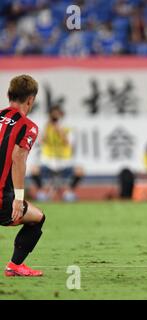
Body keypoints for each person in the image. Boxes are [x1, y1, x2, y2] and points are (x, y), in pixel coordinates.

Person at [0, 75, 45, 276]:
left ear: (9, 95)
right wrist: (18, 199)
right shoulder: (28, 126)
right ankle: (15, 265)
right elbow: (18, 158)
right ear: (31, 100)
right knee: (37, 218)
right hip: (2, 199)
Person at [30, 105, 83, 202]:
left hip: (64, 162)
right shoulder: (45, 126)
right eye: (53, 116)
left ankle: (69, 192)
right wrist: (47, 128)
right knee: (34, 170)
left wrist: (59, 130)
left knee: (80, 171)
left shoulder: (67, 128)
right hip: (48, 161)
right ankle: (42, 192)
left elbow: (69, 143)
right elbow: (40, 142)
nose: (55, 118)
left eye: (57, 116)